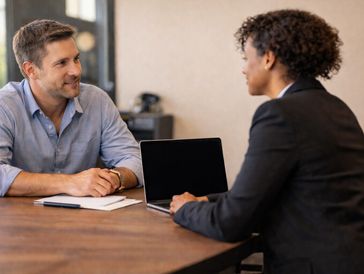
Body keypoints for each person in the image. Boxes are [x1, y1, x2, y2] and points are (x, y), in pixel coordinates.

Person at [170, 9, 364, 274]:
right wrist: (209, 199)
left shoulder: (280, 115)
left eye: (246, 57)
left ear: (268, 58)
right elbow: (289, 191)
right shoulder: (336, 107)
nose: (243, 68)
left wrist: (186, 209)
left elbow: (231, 223)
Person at [0, 19, 143, 197]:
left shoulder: (96, 100)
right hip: (18, 221)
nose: (76, 71)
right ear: (31, 70)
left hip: (87, 218)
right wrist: (69, 183)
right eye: (62, 63)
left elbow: (135, 159)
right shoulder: (5, 106)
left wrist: (114, 178)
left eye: (76, 59)